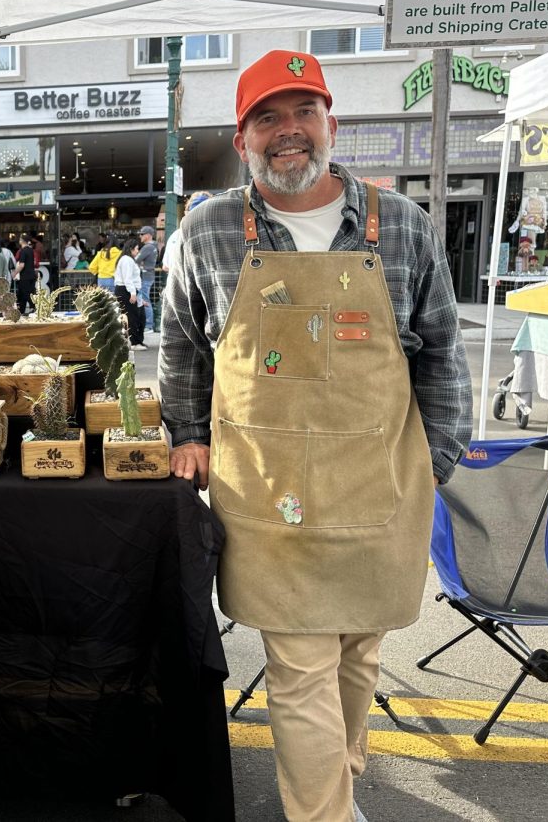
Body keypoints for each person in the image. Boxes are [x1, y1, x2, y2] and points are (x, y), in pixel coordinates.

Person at [159, 50, 471, 822]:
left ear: (332, 124)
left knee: (360, 654)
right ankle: (323, 814)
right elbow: (180, 348)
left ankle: (340, 784)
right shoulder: (205, 233)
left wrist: (438, 458)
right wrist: (187, 433)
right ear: (243, 139)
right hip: (269, 491)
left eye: (303, 112)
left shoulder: (402, 226)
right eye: (267, 117)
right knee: (299, 665)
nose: (287, 132)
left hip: (382, 483)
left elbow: (442, 350)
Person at [114, 237, 144, 349]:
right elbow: (128, 278)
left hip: (125, 289)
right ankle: (135, 342)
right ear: (131, 248)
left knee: (130, 316)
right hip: (126, 290)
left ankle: (134, 341)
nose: (138, 251)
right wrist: (132, 293)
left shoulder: (125, 259)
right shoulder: (127, 260)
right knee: (131, 317)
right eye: (136, 249)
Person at [136, 225, 158, 333]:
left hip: (145, 277)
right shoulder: (153, 246)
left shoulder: (148, 247)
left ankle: (149, 325)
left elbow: (136, 259)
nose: (140, 236)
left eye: (142, 234)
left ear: (148, 235)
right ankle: (148, 325)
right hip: (148, 276)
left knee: (144, 300)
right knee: (144, 299)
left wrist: (140, 263)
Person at [14, 236, 37, 315]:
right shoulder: (31, 250)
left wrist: (15, 273)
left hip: (25, 276)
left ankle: (33, 307)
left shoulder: (23, 251)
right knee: (28, 293)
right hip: (32, 275)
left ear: (22, 241)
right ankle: (21, 311)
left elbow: (21, 265)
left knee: (25, 293)